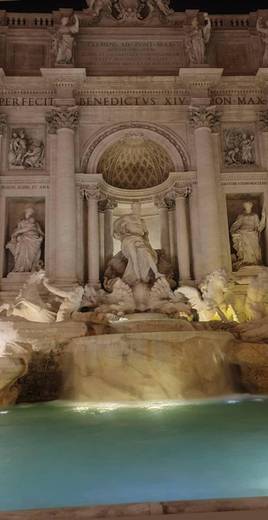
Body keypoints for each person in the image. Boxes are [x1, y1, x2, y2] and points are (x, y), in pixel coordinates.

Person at [113, 213, 163, 286]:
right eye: (136, 224)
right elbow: (134, 261)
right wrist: (139, 278)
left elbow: (149, 258)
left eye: (141, 224)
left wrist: (156, 273)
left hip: (143, 273)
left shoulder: (140, 241)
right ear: (125, 227)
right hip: (135, 275)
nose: (141, 225)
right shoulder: (129, 242)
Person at [6, 207, 44, 273]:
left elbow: (40, 232)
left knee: (31, 255)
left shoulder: (36, 223)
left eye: (31, 213)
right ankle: (21, 267)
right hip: (23, 240)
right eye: (28, 212)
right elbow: (17, 231)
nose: (29, 214)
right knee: (22, 252)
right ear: (25, 213)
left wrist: (41, 236)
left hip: (33, 240)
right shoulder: (21, 223)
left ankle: (30, 267)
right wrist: (16, 234)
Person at [230, 201, 266, 269]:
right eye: (246, 206)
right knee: (243, 236)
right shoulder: (241, 216)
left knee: (254, 237)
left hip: (252, 233)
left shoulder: (255, 216)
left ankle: (254, 261)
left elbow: (258, 227)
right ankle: (245, 261)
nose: (247, 207)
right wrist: (235, 232)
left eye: (249, 205)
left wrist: (263, 217)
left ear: (251, 206)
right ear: (244, 207)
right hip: (243, 232)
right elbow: (235, 226)